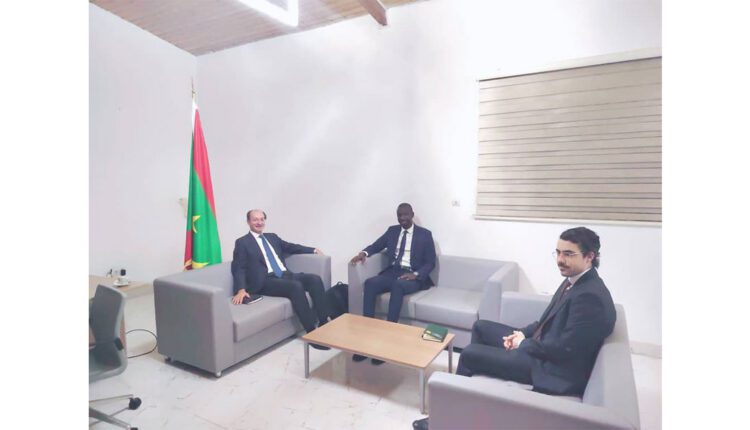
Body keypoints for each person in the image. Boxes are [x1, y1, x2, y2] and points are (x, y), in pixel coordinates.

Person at [412, 227, 616, 430]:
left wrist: (524, 344)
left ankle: (443, 420)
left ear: (590, 256)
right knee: (481, 327)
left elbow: (565, 349)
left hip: (551, 369)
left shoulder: (590, 297)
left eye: (568, 254)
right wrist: (523, 333)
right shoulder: (572, 281)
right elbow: (545, 321)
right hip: (542, 349)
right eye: (558, 252)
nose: (560, 260)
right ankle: (474, 394)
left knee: (469, 354)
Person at [231, 209, 331, 350]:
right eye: (255, 219)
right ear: (248, 222)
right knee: (295, 286)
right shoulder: (242, 242)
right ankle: (311, 333)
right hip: (265, 281)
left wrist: (313, 250)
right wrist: (241, 289)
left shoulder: (272, 237)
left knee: (314, 279)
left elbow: (291, 247)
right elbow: (239, 267)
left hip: (285, 275)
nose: (259, 222)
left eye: (261, 219)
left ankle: (324, 322)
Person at [349, 203, 436, 365]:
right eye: (399, 215)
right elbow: (376, 245)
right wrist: (363, 253)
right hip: (393, 272)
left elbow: (431, 262)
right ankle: (366, 340)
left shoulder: (425, 234)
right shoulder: (392, 231)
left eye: (405, 215)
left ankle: (386, 344)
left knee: (398, 285)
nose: (402, 218)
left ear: (412, 215)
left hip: (413, 275)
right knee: (370, 283)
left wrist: (416, 274)